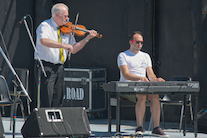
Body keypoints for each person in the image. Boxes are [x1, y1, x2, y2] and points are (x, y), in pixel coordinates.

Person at [34, 3, 97, 107]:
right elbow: (43, 41)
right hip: (46, 66)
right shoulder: (45, 26)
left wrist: (87, 39)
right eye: (65, 16)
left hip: (59, 67)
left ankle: (56, 119)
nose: (67, 19)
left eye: (68, 16)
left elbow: (73, 49)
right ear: (56, 15)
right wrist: (62, 45)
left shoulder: (66, 30)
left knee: (58, 96)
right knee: (46, 96)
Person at [117, 31, 169, 137]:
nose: (139, 44)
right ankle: (139, 127)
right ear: (131, 42)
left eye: (141, 42)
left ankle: (156, 127)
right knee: (142, 94)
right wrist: (140, 78)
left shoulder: (145, 56)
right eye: (137, 42)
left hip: (142, 87)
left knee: (155, 95)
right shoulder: (123, 55)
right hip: (127, 88)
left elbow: (150, 75)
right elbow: (126, 75)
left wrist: (156, 79)